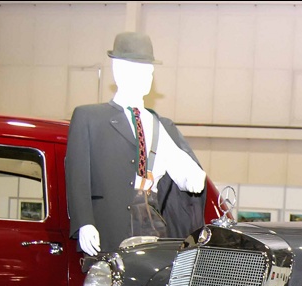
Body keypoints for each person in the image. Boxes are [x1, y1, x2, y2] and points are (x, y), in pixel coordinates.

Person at [65, 32, 208, 256]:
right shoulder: (90, 118)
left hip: (152, 223)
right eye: (138, 70)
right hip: (108, 227)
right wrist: (84, 222)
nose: (146, 78)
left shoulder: (158, 123)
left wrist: (193, 177)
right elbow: (77, 175)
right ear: (118, 71)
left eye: (149, 72)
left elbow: (181, 167)